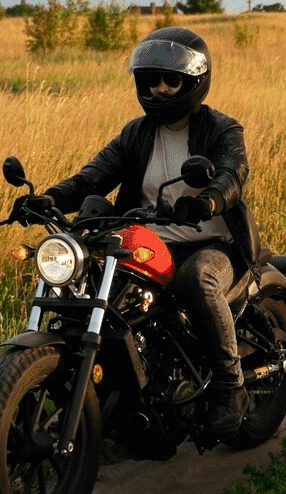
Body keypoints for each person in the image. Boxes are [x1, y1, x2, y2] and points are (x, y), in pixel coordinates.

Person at [41, 28, 258, 435]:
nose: (159, 90)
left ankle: (232, 387)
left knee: (198, 280)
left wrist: (208, 200)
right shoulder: (135, 133)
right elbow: (92, 177)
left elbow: (233, 173)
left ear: (193, 82)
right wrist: (50, 198)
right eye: (151, 81)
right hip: (151, 241)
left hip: (213, 244)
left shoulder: (222, 129)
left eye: (171, 81)